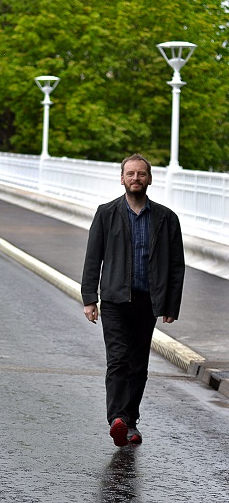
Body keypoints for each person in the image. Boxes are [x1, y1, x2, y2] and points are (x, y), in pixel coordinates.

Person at [81, 153, 185, 447]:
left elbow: (176, 264)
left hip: (148, 301)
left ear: (149, 179)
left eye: (141, 174)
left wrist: (170, 305)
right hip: (114, 300)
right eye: (130, 174)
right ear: (122, 178)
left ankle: (130, 421)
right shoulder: (106, 213)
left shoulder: (166, 218)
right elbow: (93, 257)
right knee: (118, 360)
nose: (136, 179)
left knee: (138, 365)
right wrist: (90, 299)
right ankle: (117, 418)